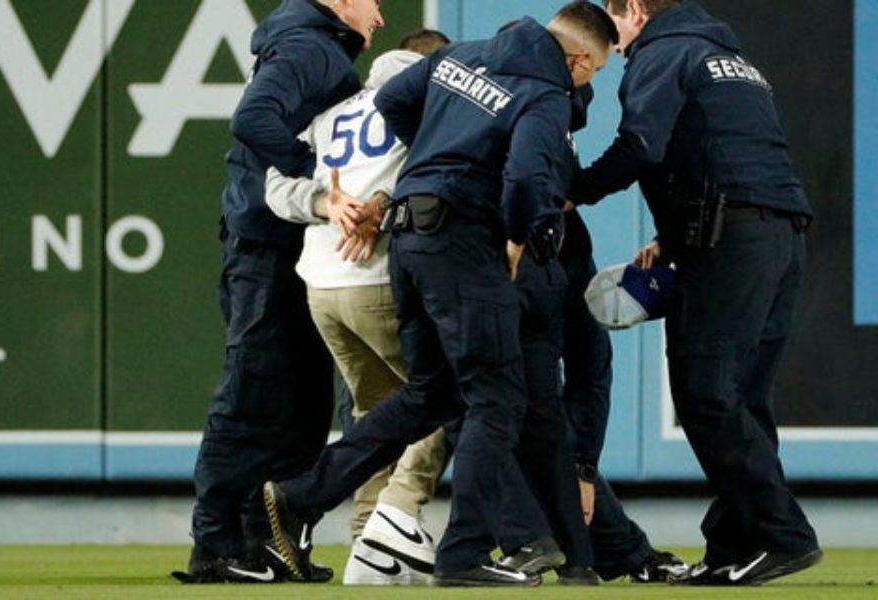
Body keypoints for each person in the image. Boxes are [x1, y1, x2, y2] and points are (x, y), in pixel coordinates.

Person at [261, 1, 618, 586]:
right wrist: (513, 236)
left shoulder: (463, 55)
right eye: (594, 72)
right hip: (463, 245)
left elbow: (393, 100)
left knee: (428, 395)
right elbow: (529, 178)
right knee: (499, 399)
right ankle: (464, 554)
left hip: (407, 239)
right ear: (579, 59)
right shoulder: (545, 93)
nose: (587, 83)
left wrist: (429, 161)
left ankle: (303, 495)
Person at [568, 0, 822, 586]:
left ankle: (783, 535)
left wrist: (572, 191)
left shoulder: (663, 51)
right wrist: (673, 234)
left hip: (729, 241)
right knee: (745, 397)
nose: (616, 41)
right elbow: (728, 154)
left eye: (616, 22)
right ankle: (732, 545)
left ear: (635, 9)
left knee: (705, 391)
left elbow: (639, 146)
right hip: (780, 235)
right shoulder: (732, 59)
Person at [173, 0, 383, 584]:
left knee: (304, 405)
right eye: (373, 2)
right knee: (253, 395)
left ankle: (265, 541)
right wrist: (313, 174)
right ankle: (216, 544)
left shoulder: (313, 44)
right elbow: (253, 118)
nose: (380, 17)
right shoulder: (307, 46)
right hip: (266, 245)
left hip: (293, 247)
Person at [264, 32, 452, 586]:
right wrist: (378, 208)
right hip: (380, 277)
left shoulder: (332, 112)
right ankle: (392, 521)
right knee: (442, 400)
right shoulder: (423, 102)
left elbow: (274, 187)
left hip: (322, 286)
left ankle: (367, 544)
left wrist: (329, 205)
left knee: (376, 415)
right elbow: (435, 178)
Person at [559, 84, 690, 584]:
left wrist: (583, 469)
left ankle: (600, 550)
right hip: (505, 273)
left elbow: (592, 371)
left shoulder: (549, 115)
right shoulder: (530, 107)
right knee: (503, 413)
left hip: (557, 262)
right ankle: (499, 544)